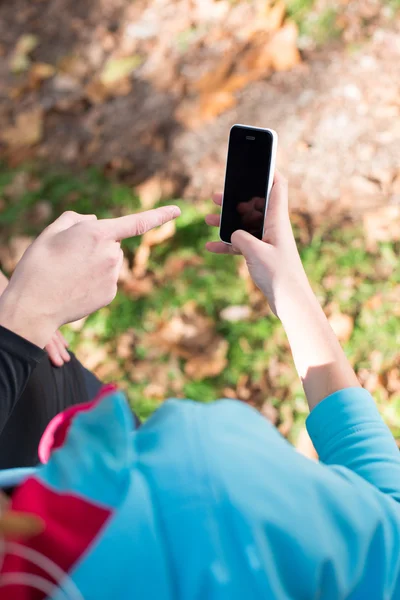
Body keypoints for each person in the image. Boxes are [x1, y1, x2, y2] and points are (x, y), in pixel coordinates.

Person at [1, 173, 400, 599]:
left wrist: (22, 317)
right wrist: (288, 289)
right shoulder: (226, 507)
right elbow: (383, 495)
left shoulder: (209, 486)